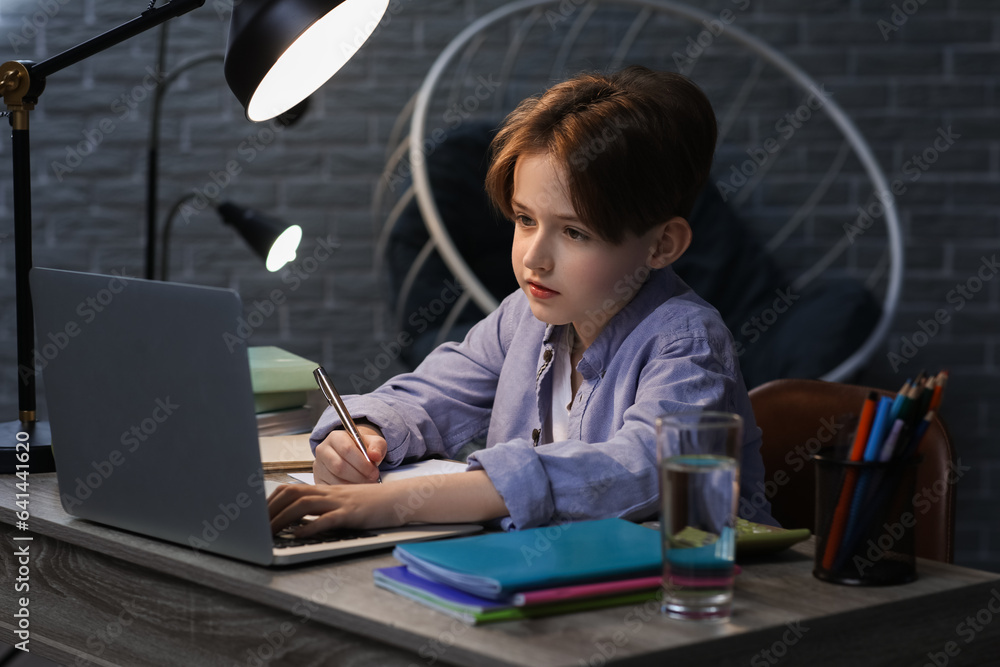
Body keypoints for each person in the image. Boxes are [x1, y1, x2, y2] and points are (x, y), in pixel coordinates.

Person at [268, 66, 774, 535]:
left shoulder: (686, 342)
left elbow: (641, 469)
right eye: (525, 219)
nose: (534, 258)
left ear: (662, 244)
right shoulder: (524, 318)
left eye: (575, 233)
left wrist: (395, 504)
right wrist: (361, 432)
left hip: (701, 602)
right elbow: (427, 396)